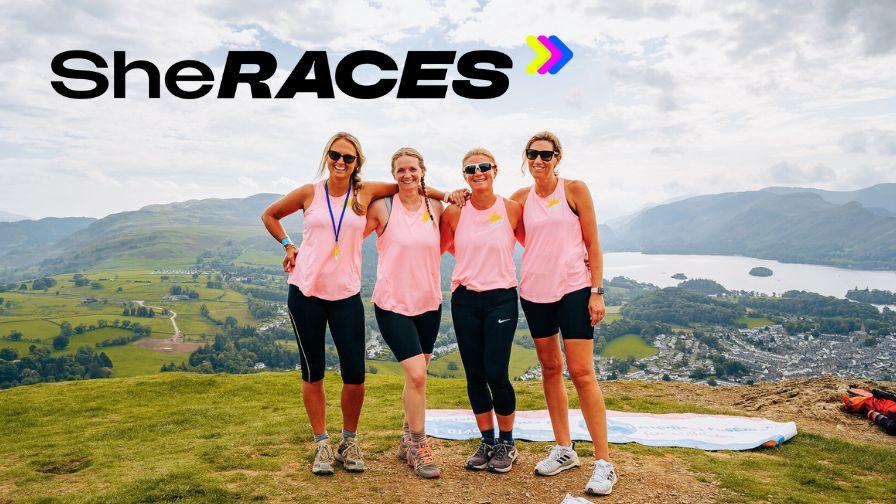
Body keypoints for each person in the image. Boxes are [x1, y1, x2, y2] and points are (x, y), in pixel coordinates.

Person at [261, 132, 459, 476]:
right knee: (314, 372)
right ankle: (322, 444)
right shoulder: (310, 192)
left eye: (348, 158)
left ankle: (348, 441)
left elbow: (409, 187)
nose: (341, 162)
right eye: (335, 155)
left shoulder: (366, 193)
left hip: (347, 294)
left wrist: (449, 194)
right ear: (327, 156)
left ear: (358, 163)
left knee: (355, 375)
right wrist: (289, 245)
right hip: (305, 291)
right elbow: (271, 215)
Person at [510, 131, 617, 495]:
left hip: (573, 290)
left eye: (545, 155)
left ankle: (604, 462)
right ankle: (564, 449)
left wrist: (596, 291)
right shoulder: (521, 198)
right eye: (532, 154)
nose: (538, 161)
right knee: (551, 370)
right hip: (535, 293)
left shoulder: (574, 190)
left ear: (558, 158)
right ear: (525, 158)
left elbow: (593, 244)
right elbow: (503, 223)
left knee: (583, 372)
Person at [440, 147, 525, 473]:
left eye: (483, 167)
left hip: (501, 298)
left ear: (495, 169)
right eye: (470, 169)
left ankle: (507, 442)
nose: (478, 172)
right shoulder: (454, 213)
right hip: (465, 299)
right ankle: (487, 441)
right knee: (474, 375)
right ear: (464, 176)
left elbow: (534, 242)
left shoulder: (512, 209)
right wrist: (471, 265)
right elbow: (446, 245)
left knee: (495, 373)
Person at [366, 147, 446, 479]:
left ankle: (405, 438)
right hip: (392, 303)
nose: (407, 175)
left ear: (423, 170)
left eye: (412, 169)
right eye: (400, 170)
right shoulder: (382, 207)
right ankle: (418, 444)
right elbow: (345, 234)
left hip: (429, 303)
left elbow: (463, 239)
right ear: (393, 174)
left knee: (418, 376)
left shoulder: (436, 207)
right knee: (416, 375)